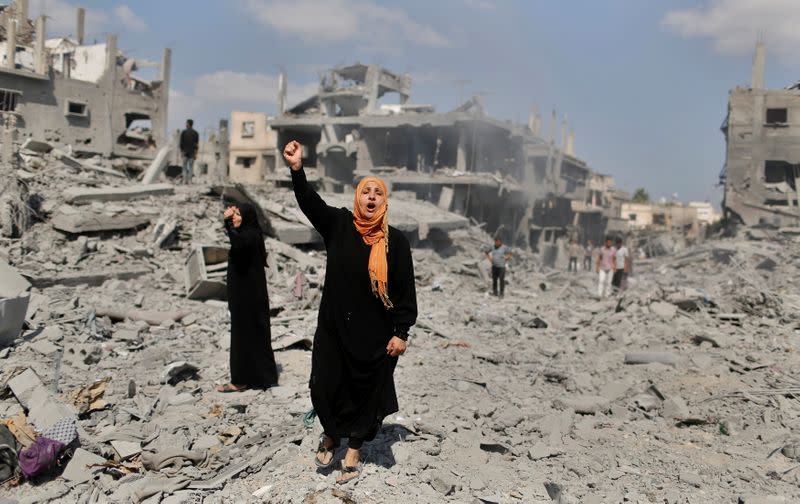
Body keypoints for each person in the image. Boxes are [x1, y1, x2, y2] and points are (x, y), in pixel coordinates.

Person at [283, 140, 417, 485]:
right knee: (327, 382)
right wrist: (297, 170)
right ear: (358, 197)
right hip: (334, 328)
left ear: (384, 201)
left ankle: (354, 447)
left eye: (377, 193)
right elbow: (310, 204)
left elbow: (404, 290)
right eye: (366, 192)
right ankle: (331, 433)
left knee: (366, 391)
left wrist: (401, 332)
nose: (371, 197)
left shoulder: (396, 243)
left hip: (375, 332)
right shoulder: (339, 225)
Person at [216, 203, 278, 392]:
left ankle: (240, 380)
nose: (234, 217)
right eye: (233, 214)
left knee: (242, 338)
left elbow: (238, 243)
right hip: (249, 297)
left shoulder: (249, 236)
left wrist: (226, 222)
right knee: (255, 336)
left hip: (247, 299)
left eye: (237, 214)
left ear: (247, 217)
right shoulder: (251, 234)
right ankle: (262, 378)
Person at [179, 119, 199, 184]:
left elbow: (181, 143)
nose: (185, 124)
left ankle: (185, 180)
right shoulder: (196, 133)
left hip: (185, 152)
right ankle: (189, 181)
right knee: (191, 168)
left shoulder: (184, 132)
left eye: (186, 123)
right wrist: (195, 153)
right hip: (192, 153)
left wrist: (182, 152)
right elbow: (196, 145)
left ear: (188, 124)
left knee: (184, 167)